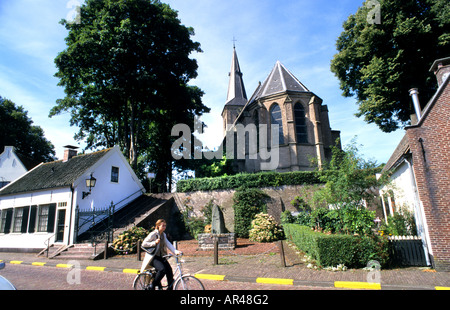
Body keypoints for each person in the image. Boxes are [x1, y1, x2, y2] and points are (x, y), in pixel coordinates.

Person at [140, 219, 182, 290]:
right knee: (162, 269)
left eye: (165, 226)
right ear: (158, 226)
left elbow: (168, 243)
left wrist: (175, 251)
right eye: (163, 225)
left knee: (169, 271)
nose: (164, 227)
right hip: (153, 257)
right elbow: (144, 244)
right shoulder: (153, 234)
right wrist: (154, 243)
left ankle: (170, 288)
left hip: (161, 257)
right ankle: (152, 285)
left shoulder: (163, 234)